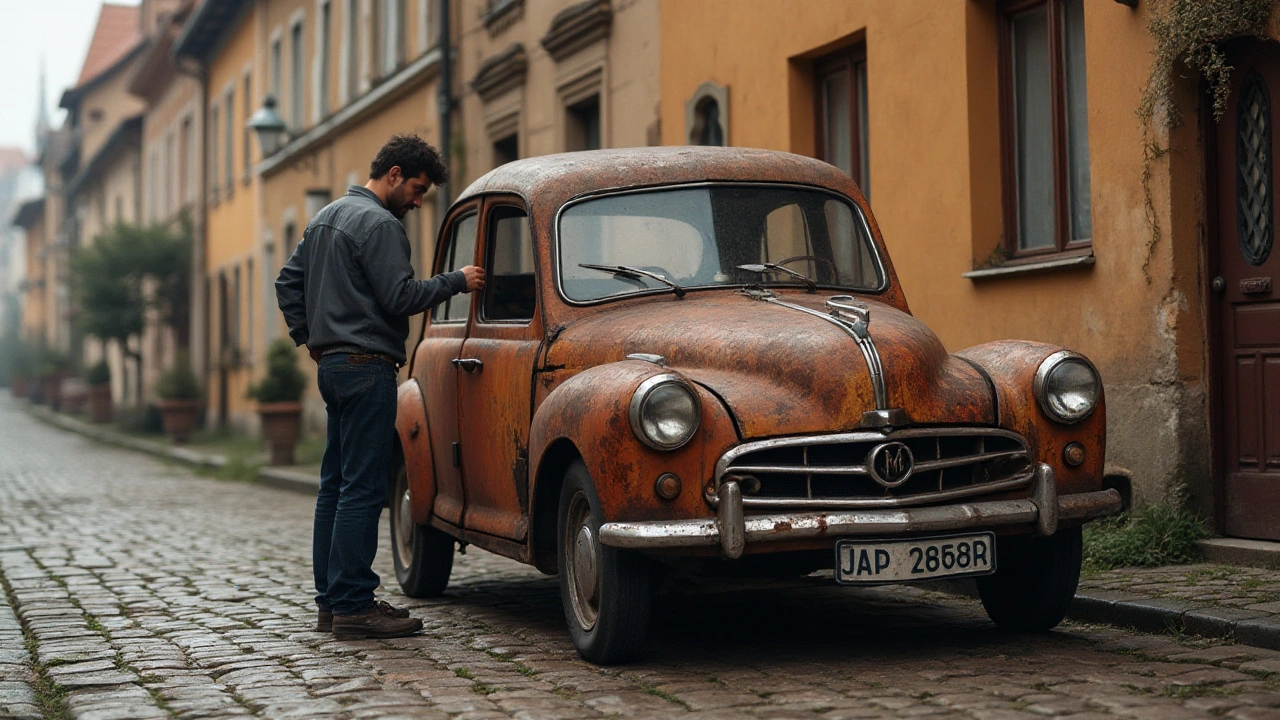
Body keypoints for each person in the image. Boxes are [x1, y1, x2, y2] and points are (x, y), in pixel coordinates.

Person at [275, 134, 484, 640]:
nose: (417, 201)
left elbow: (286, 283)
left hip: (335, 367)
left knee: (335, 485)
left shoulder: (326, 218)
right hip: (368, 365)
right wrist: (456, 280)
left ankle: (331, 601)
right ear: (393, 174)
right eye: (415, 189)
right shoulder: (380, 224)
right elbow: (400, 296)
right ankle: (353, 604)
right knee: (364, 489)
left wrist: (312, 341)